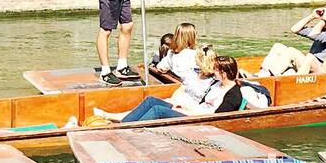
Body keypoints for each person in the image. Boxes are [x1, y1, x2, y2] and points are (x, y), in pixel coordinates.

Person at [94, 54, 244, 124]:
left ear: (224, 73)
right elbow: (201, 104)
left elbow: (216, 119)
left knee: (158, 110)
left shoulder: (233, 94)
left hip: (197, 120)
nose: (213, 71)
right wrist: (185, 106)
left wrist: (186, 111)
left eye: (216, 70)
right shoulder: (216, 84)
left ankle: (129, 130)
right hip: (193, 111)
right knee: (152, 101)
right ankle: (126, 124)